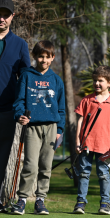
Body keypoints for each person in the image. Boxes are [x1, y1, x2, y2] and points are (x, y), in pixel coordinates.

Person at [11, 40, 65, 215]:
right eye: (40, 56)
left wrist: (60, 130)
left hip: (51, 127)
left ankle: (40, 200)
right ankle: (22, 200)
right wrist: (20, 115)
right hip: (32, 127)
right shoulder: (27, 76)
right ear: (34, 57)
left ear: (53, 58)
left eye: (47, 57)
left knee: (46, 166)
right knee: (30, 165)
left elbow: (62, 108)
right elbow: (19, 101)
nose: (43, 60)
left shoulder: (56, 80)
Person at [72, 66, 110, 215]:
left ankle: (105, 204)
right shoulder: (86, 100)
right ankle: (80, 203)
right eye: (95, 80)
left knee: (103, 174)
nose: (96, 83)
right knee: (84, 173)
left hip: (105, 146)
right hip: (86, 145)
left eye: (100, 81)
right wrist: (78, 141)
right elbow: (80, 121)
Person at [0, 0, 30, 211]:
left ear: (12, 17)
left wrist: (24, 109)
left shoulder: (20, 44)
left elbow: (26, 78)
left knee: (1, 158)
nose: (1, 18)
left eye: (5, 14)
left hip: (7, 110)